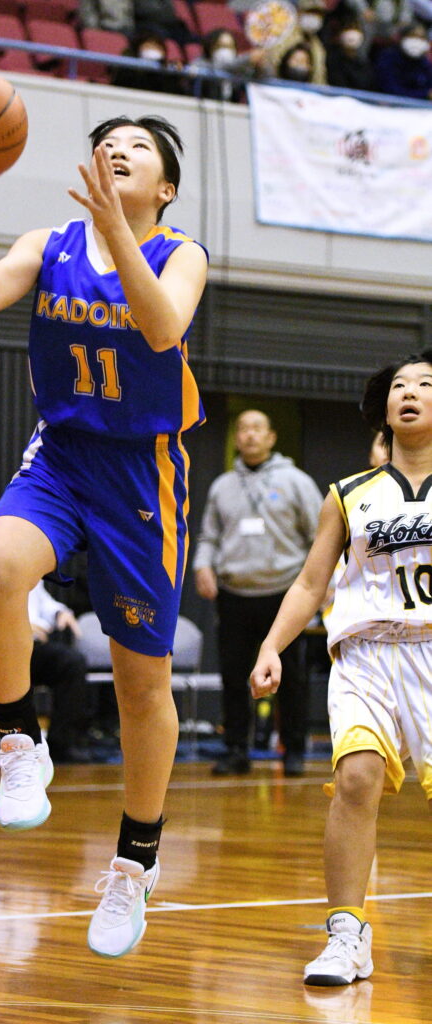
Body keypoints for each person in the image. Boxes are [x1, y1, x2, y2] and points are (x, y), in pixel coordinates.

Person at [0, 113, 208, 957]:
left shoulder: (179, 253)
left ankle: (133, 865)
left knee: (139, 686)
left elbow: (162, 328)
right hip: (62, 454)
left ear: (165, 188)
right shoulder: (50, 244)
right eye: (107, 141)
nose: (117, 148)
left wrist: (119, 234)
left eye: (139, 146)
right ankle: (20, 740)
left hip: (141, 475)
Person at [251, 349, 432, 987]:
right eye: (399, 385)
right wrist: (271, 645)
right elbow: (310, 583)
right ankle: (347, 934)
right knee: (356, 779)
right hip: (365, 656)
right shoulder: (348, 494)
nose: (409, 392)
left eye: (425, 384)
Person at [193, 409, 323, 777]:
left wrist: (322, 586)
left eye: (257, 429)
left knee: (292, 677)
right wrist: (203, 566)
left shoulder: (296, 481)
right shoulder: (222, 486)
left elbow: (320, 537)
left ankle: (293, 750)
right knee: (234, 676)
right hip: (234, 594)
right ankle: (236, 750)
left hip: (283, 594)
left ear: (271, 437)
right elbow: (208, 537)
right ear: (236, 438)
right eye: (243, 429)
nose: (250, 435)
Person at [0, 505, 92, 764]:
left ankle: (62, 744)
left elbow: (44, 603)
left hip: (25, 646)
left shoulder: (20, 564)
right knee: (37, 658)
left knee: (70, 663)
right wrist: (20, 626)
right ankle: (20, 749)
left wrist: (59, 613)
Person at [269, 0, 328, 84]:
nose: (314, 17)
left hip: (305, 90)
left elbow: (319, 77)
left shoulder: (317, 46)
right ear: (299, 13)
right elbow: (273, 64)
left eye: (318, 15)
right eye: (310, 13)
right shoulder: (283, 36)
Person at [111, 30, 187, 95]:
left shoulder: (167, 71)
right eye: (148, 46)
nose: (152, 49)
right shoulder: (127, 67)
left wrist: (174, 73)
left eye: (157, 47)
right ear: (138, 49)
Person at [374, 21, 432, 98]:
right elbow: (391, 89)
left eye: (421, 38)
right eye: (412, 36)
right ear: (402, 38)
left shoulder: (424, 63)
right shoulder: (388, 58)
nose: (416, 41)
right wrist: (425, 94)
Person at [326, 16, 378, 90]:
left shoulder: (364, 64)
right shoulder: (332, 60)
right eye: (348, 29)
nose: (352, 34)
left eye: (356, 29)